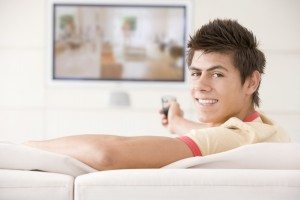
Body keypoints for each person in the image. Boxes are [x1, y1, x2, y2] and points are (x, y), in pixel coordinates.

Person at [24, 19, 290, 171]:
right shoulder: (265, 130)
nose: (201, 85)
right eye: (196, 73)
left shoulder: (235, 137)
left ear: (251, 81)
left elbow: (107, 154)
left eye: (217, 74)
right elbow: (221, 134)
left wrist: (29, 148)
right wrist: (178, 123)